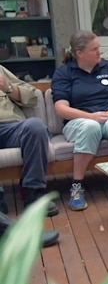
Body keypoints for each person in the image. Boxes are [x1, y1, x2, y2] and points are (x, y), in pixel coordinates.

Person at [52, 30, 108, 211]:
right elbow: (61, 108)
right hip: (79, 122)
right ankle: (77, 186)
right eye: (94, 49)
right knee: (91, 127)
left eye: (99, 48)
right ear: (79, 53)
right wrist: (91, 116)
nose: (100, 52)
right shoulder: (65, 73)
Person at [0, 65, 59, 217]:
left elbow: (32, 96)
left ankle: (34, 193)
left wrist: (8, 87)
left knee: (36, 126)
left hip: (11, 126)